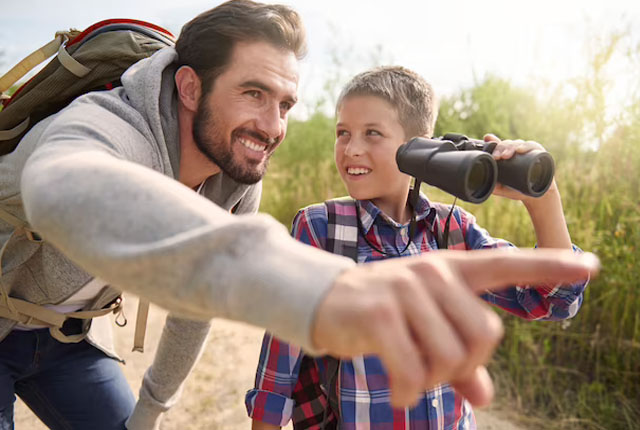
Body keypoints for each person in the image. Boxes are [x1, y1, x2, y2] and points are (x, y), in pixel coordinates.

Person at [0, 1, 598, 429]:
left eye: (285, 103)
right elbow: (59, 184)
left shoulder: (236, 176)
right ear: (189, 87)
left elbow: (194, 305)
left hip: (67, 344)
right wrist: (317, 285)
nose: (273, 125)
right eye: (253, 93)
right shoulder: (110, 123)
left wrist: (542, 196)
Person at [246, 66, 590, 430]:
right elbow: (279, 368)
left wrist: (542, 197)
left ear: (418, 147)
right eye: (342, 133)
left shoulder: (453, 230)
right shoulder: (321, 228)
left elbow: (553, 300)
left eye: (373, 133)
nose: (352, 149)